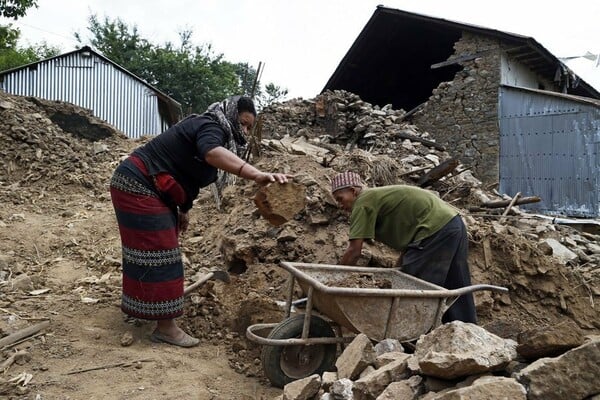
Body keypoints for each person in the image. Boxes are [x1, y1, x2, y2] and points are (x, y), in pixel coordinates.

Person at [110, 95, 291, 347]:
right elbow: (211, 153)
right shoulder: (211, 126)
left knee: (146, 251)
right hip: (139, 183)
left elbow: (187, 176)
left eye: (250, 127)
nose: (245, 131)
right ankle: (166, 328)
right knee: (162, 253)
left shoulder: (216, 133)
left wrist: (183, 209)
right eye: (243, 123)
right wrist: (256, 174)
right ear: (230, 115)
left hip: (144, 184)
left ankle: (142, 309)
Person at [331, 171, 476, 323]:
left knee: (414, 287)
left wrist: (334, 281)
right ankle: (465, 330)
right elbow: (411, 242)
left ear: (353, 191)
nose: (340, 205)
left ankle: (411, 337)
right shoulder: (376, 198)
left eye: (341, 199)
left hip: (434, 230)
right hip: (452, 224)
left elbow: (354, 251)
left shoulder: (362, 202)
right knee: (454, 283)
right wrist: (398, 269)